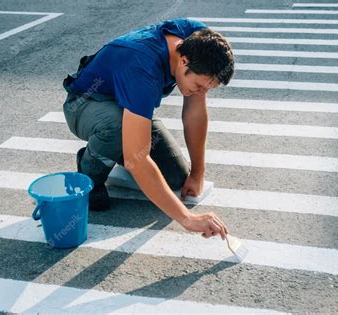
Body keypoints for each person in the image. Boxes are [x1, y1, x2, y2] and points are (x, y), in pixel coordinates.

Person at [62, 18, 234, 240]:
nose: (201, 91)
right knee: (117, 130)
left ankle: (118, 145)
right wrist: (188, 219)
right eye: (199, 86)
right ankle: (90, 171)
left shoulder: (200, 42)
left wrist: (197, 172)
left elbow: (195, 114)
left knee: (175, 178)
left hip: (129, 108)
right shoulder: (142, 66)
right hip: (86, 104)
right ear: (183, 61)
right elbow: (137, 158)